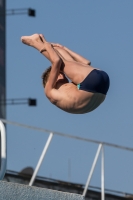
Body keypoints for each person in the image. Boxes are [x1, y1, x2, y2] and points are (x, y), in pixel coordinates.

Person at [21, 34, 110, 114]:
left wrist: (65, 49)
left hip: (101, 83)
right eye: (59, 73)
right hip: (95, 82)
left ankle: (42, 43)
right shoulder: (49, 92)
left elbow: (86, 63)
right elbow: (56, 61)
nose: (62, 74)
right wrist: (47, 45)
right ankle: (33, 42)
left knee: (59, 53)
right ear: (52, 78)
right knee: (60, 62)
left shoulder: (69, 89)